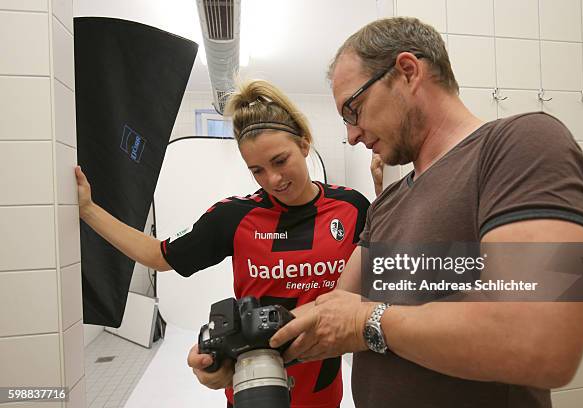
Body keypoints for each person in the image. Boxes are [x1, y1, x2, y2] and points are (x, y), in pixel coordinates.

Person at [269, 17, 583, 408]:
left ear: (407, 71)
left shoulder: (521, 144)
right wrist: (247, 353)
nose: (352, 134)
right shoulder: (387, 203)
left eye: (353, 110)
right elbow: (332, 313)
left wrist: (367, 323)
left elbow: (542, 339)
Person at [76, 80, 370, 408]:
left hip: (321, 392)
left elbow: (374, 289)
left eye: (280, 160)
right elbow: (158, 255)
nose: (273, 179)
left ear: (304, 144)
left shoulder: (352, 208)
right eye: (257, 170)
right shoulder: (233, 216)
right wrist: (89, 211)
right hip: (250, 388)